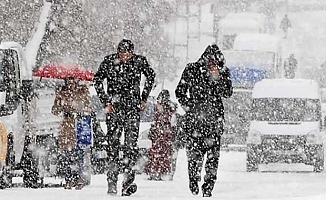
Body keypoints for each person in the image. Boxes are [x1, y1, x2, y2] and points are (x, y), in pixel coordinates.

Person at [93, 39, 155, 196]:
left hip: (132, 108)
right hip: (114, 109)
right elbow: (97, 80)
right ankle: (112, 182)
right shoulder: (109, 61)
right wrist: (105, 101)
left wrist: (144, 97)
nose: (124, 57)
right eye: (121, 54)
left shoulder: (139, 62)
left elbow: (151, 76)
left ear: (132, 53)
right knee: (113, 146)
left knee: (130, 147)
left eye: (127, 54)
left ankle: (127, 183)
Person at [175, 44, 233, 197]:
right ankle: (193, 180)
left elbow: (227, 93)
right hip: (195, 122)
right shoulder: (192, 69)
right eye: (211, 62)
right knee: (194, 156)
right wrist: (189, 108)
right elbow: (179, 91)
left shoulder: (223, 72)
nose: (213, 65)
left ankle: (208, 187)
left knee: (213, 158)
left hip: (214, 122)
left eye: (216, 63)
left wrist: (218, 77)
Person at [51, 77, 92, 190]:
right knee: (67, 155)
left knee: (79, 153)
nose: (71, 84)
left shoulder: (83, 92)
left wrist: (82, 104)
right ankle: (69, 178)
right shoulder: (62, 93)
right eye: (69, 81)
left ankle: (79, 178)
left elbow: (89, 108)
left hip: (80, 124)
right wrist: (60, 102)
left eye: (73, 81)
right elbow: (55, 110)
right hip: (67, 125)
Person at [147, 89, 176, 181]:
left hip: (162, 135)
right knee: (161, 154)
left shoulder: (167, 109)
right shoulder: (167, 109)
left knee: (160, 154)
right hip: (162, 135)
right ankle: (160, 171)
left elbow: (170, 122)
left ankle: (158, 171)